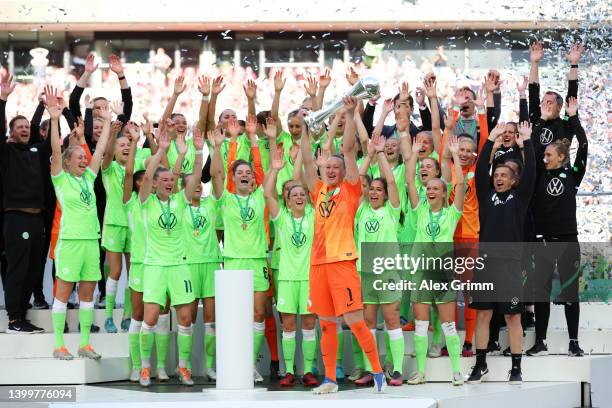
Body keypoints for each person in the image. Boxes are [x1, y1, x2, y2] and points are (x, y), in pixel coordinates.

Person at [300, 97, 386, 394]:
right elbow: (308, 159)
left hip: (342, 262)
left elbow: (348, 149)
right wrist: (304, 129)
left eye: (338, 167)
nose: (333, 170)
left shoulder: (350, 190)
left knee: (355, 322)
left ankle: (377, 371)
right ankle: (330, 379)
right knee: (325, 324)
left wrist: (350, 114)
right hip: (317, 264)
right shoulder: (317, 189)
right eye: (330, 167)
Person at [468, 121, 535, 385]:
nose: (498, 177)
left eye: (504, 175)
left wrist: (527, 143)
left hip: (510, 265)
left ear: (514, 181)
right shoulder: (486, 198)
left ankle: (516, 368)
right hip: (486, 265)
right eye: (496, 174)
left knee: (512, 315)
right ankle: (480, 364)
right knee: (483, 314)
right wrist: (489, 141)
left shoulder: (520, 200)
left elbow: (531, 175)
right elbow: (479, 168)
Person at [137, 125, 204, 387]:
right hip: (154, 266)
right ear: (153, 183)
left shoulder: (179, 200)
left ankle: (183, 367)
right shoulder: (146, 200)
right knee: (151, 318)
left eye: (171, 181)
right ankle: (145, 369)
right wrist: (161, 150)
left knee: (186, 319)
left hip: (179, 267)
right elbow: (151, 172)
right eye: (163, 180)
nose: (168, 183)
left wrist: (198, 152)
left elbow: (196, 177)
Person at [49, 100, 112, 359]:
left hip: (90, 242)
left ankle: (85, 344)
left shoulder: (88, 177)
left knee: (88, 294)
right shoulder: (61, 179)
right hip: (71, 242)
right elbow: (55, 148)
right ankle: (59, 345)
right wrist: (54, 120)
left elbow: (99, 153)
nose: (85, 160)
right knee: (63, 294)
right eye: (79, 157)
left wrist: (108, 121)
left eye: (84, 157)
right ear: (66, 162)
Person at [210, 124, 270, 383]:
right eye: (239, 172)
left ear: (253, 178)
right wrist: (217, 148)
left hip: (257, 261)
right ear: (233, 178)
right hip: (234, 262)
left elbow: (268, 172)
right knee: (234, 316)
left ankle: (249, 364)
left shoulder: (260, 197)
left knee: (258, 314)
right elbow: (215, 175)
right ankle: (228, 364)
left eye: (248, 172)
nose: (244, 175)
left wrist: (256, 139)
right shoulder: (226, 199)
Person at [528, 97, 588, 357]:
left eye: (549, 155)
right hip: (542, 240)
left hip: (567, 240)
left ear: (562, 157)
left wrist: (573, 118)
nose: (544, 158)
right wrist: (539, 120)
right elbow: (532, 148)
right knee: (541, 291)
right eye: (544, 154)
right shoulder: (538, 175)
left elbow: (583, 145)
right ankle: (540, 341)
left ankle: (574, 342)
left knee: (570, 291)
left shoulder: (572, 176)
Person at [405, 134, 465, 386]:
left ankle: (456, 371)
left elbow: (460, 186)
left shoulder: (452, 214)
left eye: (435, 189)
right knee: (420, 325)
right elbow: (409, 180)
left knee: (449, 326)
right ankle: (420, 372)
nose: (430, 190)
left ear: (443, 193)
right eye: (428, 188)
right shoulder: (419, 212)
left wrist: (452, 158)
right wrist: (414, 154)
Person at [264, 149, 319, 387]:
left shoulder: (315, 216)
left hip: (308, 279)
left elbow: (320, 190)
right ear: (287, 200)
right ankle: (288, 371)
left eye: (302, 194)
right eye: (294, 194)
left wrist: (315, 165)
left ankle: (307, 371)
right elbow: (267, 194)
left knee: (308, 325)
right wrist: (275, 170)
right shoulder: (282, 218)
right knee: (287, 326)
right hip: (286, 278)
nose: (299, 197)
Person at [0, 73, 49, 334]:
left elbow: (48, 140)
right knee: (18, 268)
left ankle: (23, 314)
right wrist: (3, 99)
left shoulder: (37, 152)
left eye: (27, 126)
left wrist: (49, 110)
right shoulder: (7, 153)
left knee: (32, 269)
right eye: (19, 126)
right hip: (16, 217)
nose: (24, 128)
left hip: (37, 218)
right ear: (11, 131)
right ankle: (13, 318)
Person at [354, 133, 404, 386]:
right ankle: (370, 369)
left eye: (378, 190)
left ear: (385, 194)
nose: (374, 192)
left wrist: (382, 154)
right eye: (371, 189)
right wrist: (369, 154)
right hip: (364, 272)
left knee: (392, 319)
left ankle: (396, 370)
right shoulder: (361, 208)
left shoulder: (391, 210)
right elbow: (359, 181)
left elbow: (393, 183)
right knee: (368, 322)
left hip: (387, 272)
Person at [181, 151, 222, 382]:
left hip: (211, 265)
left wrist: (215, 148)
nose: (197, 187)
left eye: (199, 183)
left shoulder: (211, 205)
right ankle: (183, 366)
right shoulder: (178, 206)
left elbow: (216, 175)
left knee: (211, 319)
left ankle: (209, 367)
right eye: (192, 183)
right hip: (187, 265)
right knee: (186, 319)